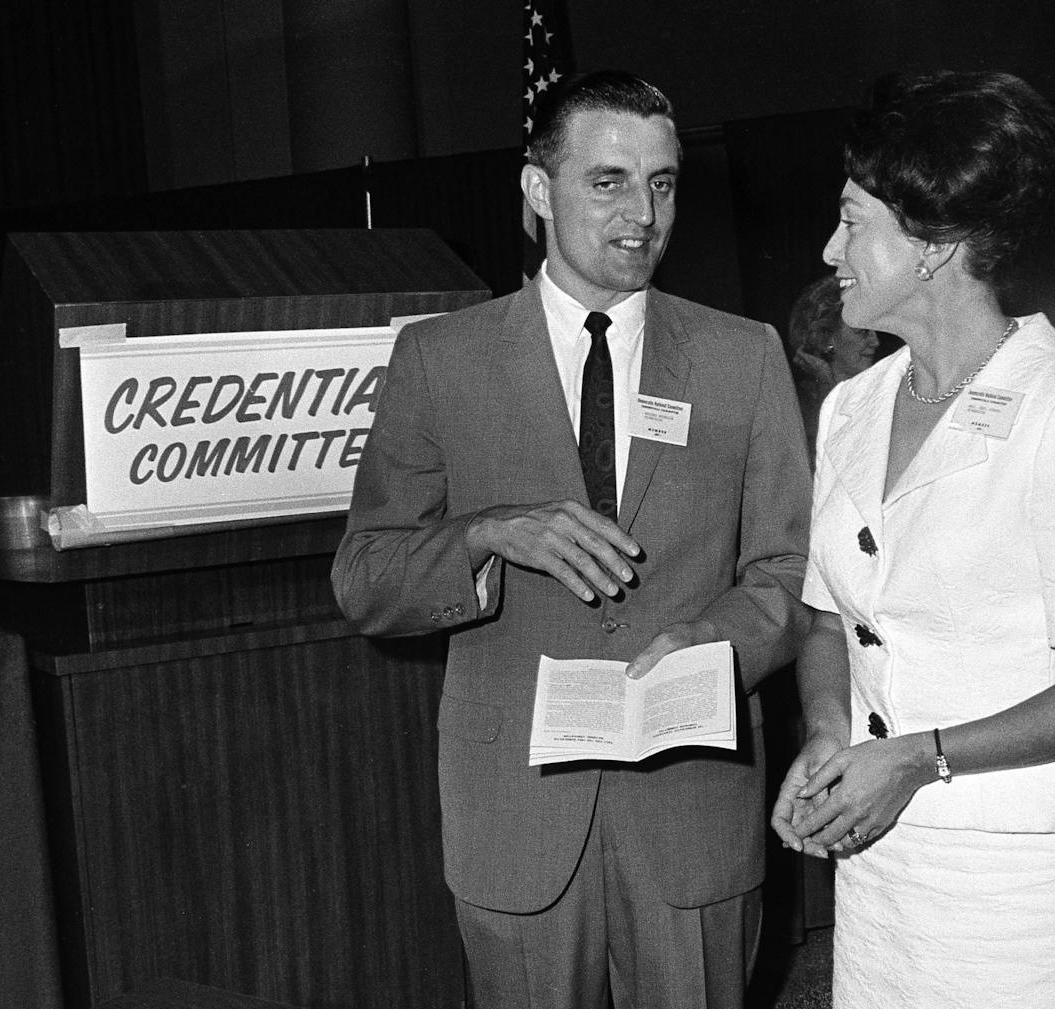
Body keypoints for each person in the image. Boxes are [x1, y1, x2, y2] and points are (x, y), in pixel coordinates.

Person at [332, 70, 812, 1009]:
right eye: (609, 181)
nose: (642, 213)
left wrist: (712, 644)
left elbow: (790, 570)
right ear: (538, 191)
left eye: (663, 183)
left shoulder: (742, 355)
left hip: (691, 807)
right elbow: (365, 576)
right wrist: (487, 533)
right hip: (515, 815)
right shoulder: (440, 359)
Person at [770, 70, 1055, 1008]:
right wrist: (830, 733)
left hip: (1015, 884)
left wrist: (920, 755)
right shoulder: (854, 409)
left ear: (933, 245)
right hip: (878, 863)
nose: (830, 249)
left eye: (852, 221)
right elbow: (829, 622)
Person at [786, 274, 883, 456]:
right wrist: (824, 380)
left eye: (876, 330)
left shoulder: (880, 390)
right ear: (825, 337)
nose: (875, 342)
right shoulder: (796, 405)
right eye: (862, 332)